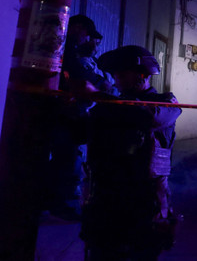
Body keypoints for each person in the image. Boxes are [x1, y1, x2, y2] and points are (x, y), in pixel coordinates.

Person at [81, 45, 182, 260]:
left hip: (144, 203)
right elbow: (80, 133)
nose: (116, 79)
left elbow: (148, 117)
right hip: (105, 201)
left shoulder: (165, 104)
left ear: (142, 75)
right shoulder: (107, 107)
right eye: (115, 74)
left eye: (122, 73)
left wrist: (99, 96)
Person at [48, 14, 114, 220]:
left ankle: (50, 200)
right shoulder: (66, 53)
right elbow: (81, 83)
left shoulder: (70, 53)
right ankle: (61, 205)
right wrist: (103, 95)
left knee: (66, 159)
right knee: (67, 160)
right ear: (77, 28)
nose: (88, 40)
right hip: (63, 116)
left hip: (65, 115)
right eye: (87, 35)